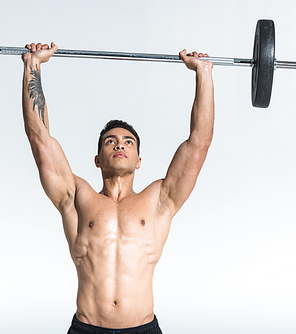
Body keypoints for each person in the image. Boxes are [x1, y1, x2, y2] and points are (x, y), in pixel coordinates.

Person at [21, 42, 214, 334]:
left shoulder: (160, 199)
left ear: (138, 160)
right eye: (110, 141)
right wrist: (32, 65)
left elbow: (199, 142)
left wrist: (203, 73)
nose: (120, 144)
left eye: (128, 141)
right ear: (98, 159)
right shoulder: (77, 197)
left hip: (143, 329)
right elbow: (40, 140)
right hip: (87, 328)